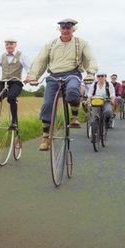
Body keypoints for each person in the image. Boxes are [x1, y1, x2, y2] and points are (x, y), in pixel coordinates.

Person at [25, 18, 98, 151]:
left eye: (68, 28)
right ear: (60, 29)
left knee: (72, 90)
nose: (65, 31)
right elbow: (40, 61)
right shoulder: (50, 44)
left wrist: (91, 73)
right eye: (63, 28)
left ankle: (74, 116)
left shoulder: (81, 43)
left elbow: (91, 58)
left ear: (72, 30)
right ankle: (46, 138)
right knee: (47, 104)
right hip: (53, 76)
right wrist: (33, 76)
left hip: (72, 73)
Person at [0, 38, 31, 130]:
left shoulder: (21, 55)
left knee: (11, 97)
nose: (9, 46)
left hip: (16, 82)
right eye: (7, 44)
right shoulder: (2, 56)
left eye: (11, 44)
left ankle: (14, 122)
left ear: (15, 45)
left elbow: (29, 68)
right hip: (4, 82)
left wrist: (28, 77)